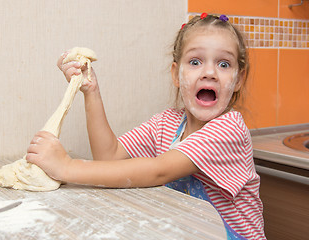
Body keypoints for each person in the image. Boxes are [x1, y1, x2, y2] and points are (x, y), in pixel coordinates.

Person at [26, 13, 266, 239]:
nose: (210, 72)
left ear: (238, 79)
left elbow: (158, 170)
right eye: (195, 61)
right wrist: (91, 91)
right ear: (176, 74)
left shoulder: (229, 129)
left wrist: (66, 167)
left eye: (224, 64)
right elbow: (108, 157)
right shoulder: (167, 123)